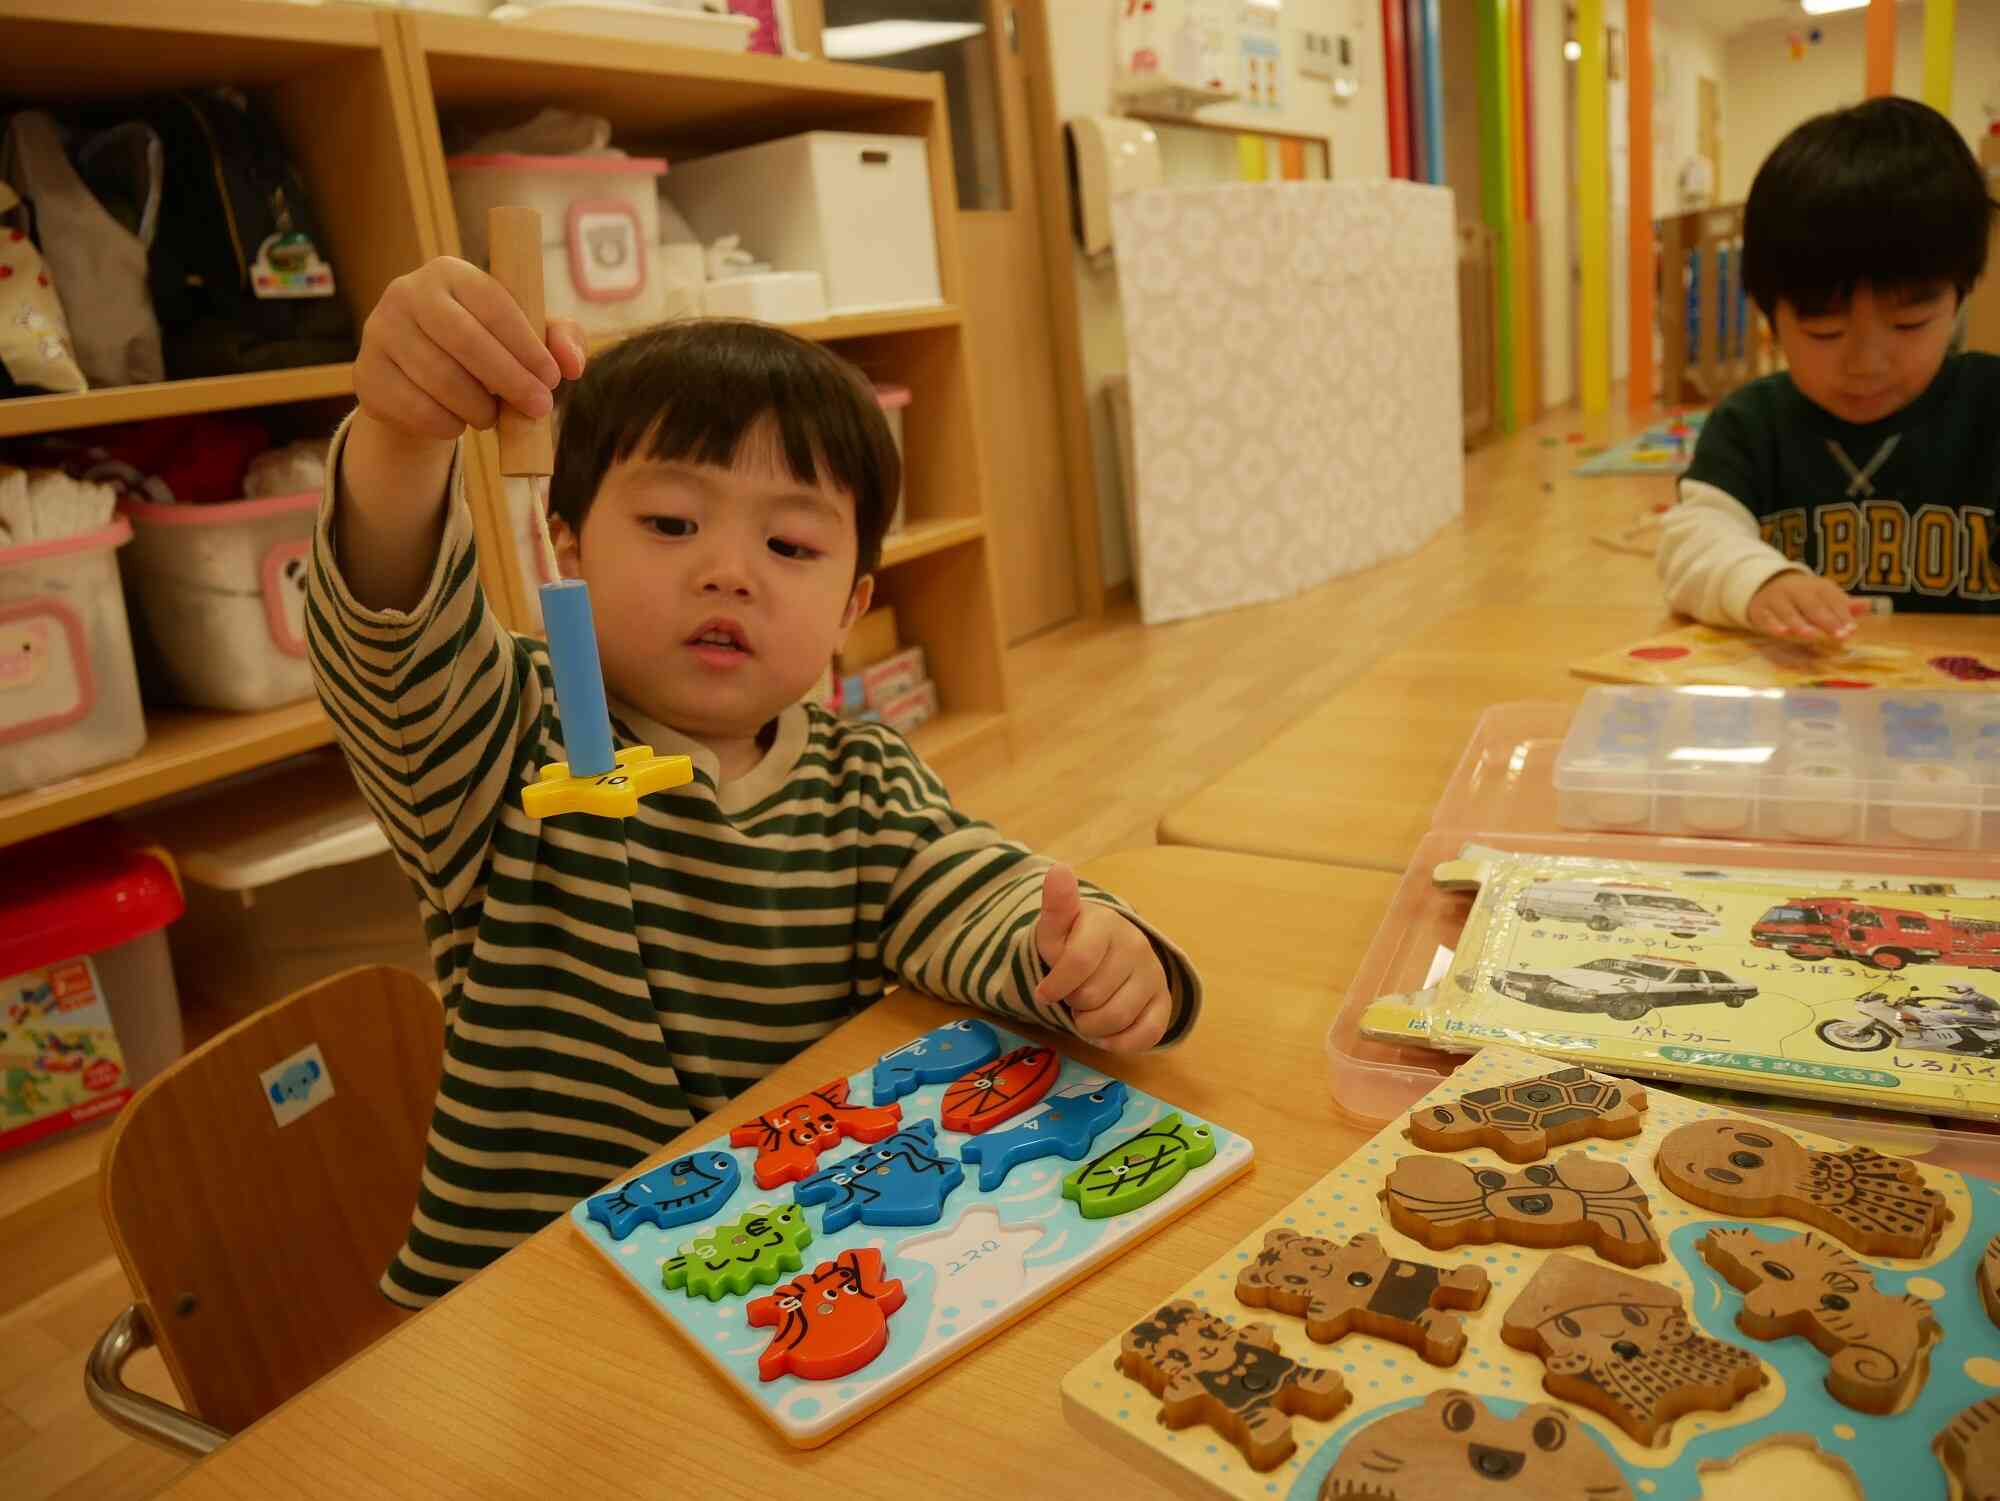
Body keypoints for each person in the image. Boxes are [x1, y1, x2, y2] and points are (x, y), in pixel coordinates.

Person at [310, 260, 1202, 1307]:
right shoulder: (500, 736)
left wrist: (1082, 948)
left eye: (788, 542)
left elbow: (967, 886)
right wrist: (401, 437)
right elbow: (392, 632)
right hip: (532, 1300)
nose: (728, 570)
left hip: (770, 1275)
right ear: (566, 550)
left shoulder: (858, 775)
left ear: (848, 604)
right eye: (671, 524)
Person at [1658, 97, 2000, 636]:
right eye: (1826, 332)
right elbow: (1692, 543)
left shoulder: (1989, 410)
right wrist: (1759, 581)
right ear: (1771, 317)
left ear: (1959, 299)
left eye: (1909, 323)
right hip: (1797, 707)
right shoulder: (1751, 426)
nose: (1866, 363)